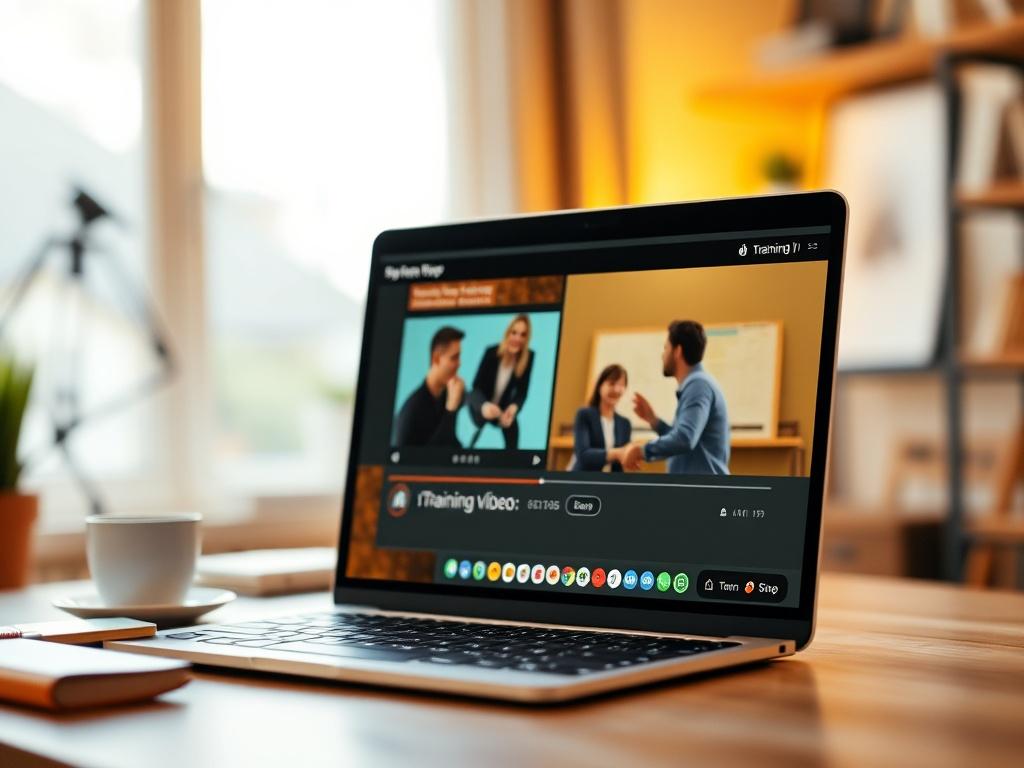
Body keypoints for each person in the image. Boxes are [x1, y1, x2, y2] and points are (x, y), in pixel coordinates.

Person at [621, 320, 730, 475]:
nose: (662, 355)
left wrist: (642, 451)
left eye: (666, 348)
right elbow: (685, 439)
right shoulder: (698, 384)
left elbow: (685, 439)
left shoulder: (698, 385)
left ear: (677, 351)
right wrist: (654, 421)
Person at [467, 314, 534, 449]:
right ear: (507, 333)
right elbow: (476, 387)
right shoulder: (491, 352)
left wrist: (513, 408)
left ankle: (513, 465)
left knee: (513, 432)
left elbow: (522, 392)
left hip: (503, 410)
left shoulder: (529, 357)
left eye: (523, 334)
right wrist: (484, 406)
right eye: (514, 332)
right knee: (470, 397)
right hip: (482, 404)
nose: (517, 338)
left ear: (527, 338)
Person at [391, 326, 466, 447]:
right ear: (436, 359)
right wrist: (451, 409)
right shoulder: (411, 412)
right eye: (454, 357)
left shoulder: (449, 393)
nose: (459, 363)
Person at [572, 364, 632, 471]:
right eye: (612, 383)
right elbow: (583, 455)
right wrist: (616, 453)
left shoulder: (625, 424)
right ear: (600, 385)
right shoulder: (584, 414)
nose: (616, 389)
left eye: (621, 385)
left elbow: (620, 465)